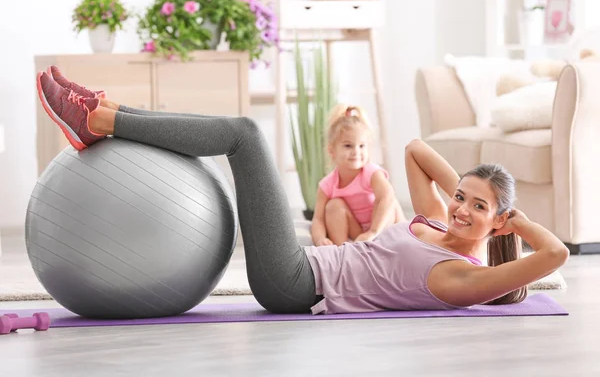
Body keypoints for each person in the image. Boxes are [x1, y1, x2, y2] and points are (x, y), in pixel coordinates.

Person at [36, 67, 569, 316]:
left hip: (296, 284)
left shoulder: (464, 279)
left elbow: (555, 253)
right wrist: (470, 204)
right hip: (302, 264)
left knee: (244, 135)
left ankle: (99, 119)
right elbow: (413, 150)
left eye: (479, 208)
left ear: (500, 224)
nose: (460, 208)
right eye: (460, 197)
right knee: (242, 133)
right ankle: (104, 114)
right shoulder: (435, 221)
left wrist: (506, 218)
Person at [310, 104, 405, 247]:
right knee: (333, 206)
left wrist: (373, 231)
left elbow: (387, 198)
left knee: (388, 198)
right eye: (348, 146)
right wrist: (320, 239)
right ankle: (342, 251)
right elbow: (318, 219)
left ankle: (400, 238)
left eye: (361, 146)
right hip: (358, 233)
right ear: (331, 150)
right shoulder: (327, 184)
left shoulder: (371, 173)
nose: (356, 152)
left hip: (383, 227)